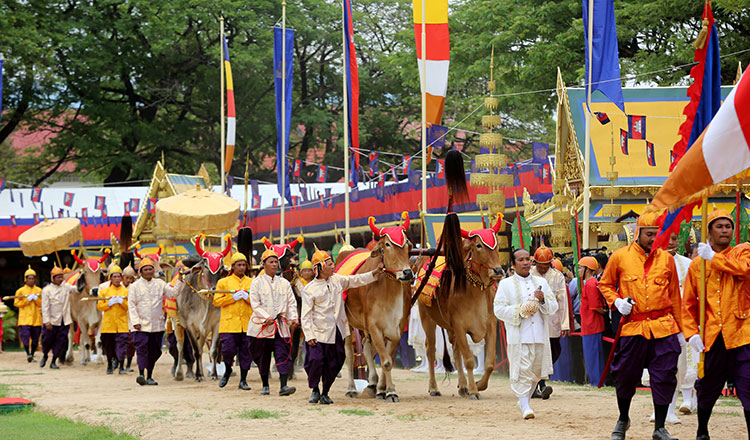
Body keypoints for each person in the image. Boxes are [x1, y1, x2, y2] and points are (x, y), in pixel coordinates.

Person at [599, 212, 685, 440]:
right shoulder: (619, 257)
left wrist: (682, 330)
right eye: (649, 234)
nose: (653, 239)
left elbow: (674, 296)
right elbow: (605, 284)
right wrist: (616, 301)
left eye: (657, 235)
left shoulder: (667, 259)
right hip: (633, 326)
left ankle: (659, 427)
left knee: (665, 376)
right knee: (625, 375)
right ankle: (623, 418)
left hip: (663, 326)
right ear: (638, 233)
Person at [682, 209, 750, 440]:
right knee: (708, 387)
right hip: (713, 336)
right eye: (719, 226)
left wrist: (714, 258)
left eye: (728, 226)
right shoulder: (696, 265)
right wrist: (692, 334)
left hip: (742, 334)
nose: (724, 230)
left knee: (748, 387)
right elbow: (688, 305)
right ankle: (702, 431)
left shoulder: (743, 252)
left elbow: (745, 270)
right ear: (708, 230)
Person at [301, 245, 382, 404]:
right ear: (321, 268)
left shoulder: (338, 280)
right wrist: (309, 336)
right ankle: (315, 389)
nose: (333, 266)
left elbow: (356, 280)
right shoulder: (309, 290)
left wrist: (374, 274)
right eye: (330, 264)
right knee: (315, 362)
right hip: (317, 334)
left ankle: (325, 393)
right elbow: (305, 316)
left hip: (336, 332)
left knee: (335, 362)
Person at [494, 249, 558, 419]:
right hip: (519, 335)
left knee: (536, 373)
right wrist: (519, 311)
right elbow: (498, 309)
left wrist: (542, 299)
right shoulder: (505, 284)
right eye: (521, 260)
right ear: (513, 265)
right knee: (522, 371)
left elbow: (553, 307)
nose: (525, 263)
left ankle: (523, 401)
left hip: (539, 334)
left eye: (527, 259)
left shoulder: (541, 283)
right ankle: (525, 407)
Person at [248, 249, 298, 396]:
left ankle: (283, 386)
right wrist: (266, 317)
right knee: (263, 356)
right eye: (271, 262)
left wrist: (293, 318)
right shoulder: (256, 283)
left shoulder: (284, 283)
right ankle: (265, 384)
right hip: (263, 326)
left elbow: (291, 303)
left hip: (281, 325)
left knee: (283, 353)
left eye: (276, 262)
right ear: (263, 264)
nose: (275, 264)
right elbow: (255, 304)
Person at [530, 246, 569, 399]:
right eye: (540, 265)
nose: (543, 268)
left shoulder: (557, 276)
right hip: (534, 321)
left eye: (546, 265)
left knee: (554, 351)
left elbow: (563, 301)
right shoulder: (530, 274)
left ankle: (540, 381)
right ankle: (539, 384)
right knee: (536, 353)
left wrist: (564, 324)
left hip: (552, 321)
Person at [212, 252, 253, 390]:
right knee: (228, 351)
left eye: (243, 265)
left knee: (246, 353)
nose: (241, 268)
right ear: (233, 267)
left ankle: (243, 380)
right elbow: (216, 301)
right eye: (238, 265)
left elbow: (258, 302)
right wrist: (232, 298)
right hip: (229, 324)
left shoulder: (252, 282)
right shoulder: (223, 282)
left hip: (247, 324)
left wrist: (246, 298)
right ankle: (228, 369)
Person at [128, 257, 169, 385]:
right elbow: (131, 305)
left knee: (155, 350)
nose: (148, 271)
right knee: (142, 349)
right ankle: (141, 374)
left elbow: (172, 293)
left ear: (153, 270)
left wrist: (180, 281)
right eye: (145, 269)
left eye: (150, 269)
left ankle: (150, 376)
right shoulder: (134, 286)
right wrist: (135, 321)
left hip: (157, 325)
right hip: (140, 325)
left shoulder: (160, 284)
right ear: (140, 272)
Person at [40, 265, 77, 369]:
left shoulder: (66, 286)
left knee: (60, 341)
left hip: (64, 320)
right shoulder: (46, 290)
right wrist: (47, 321)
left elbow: (76, 289)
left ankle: (53, 361)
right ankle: (45, 355)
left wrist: (82, 276)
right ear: (53, 278)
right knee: (47, 341)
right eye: (58, 277)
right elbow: (45, 307)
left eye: (62, 277)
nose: (60, 279)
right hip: (51, 321)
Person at [97, 265, 130, 375]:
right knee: (108, 346)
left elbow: (129, 306)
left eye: (118, 276)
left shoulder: (126, 291)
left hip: (122, 324)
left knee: (122, 346)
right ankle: (110, 365)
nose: (116, 279)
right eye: (114, 276)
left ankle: (121, 366)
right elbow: (99, 306)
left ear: (121, 278)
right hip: (108, 324)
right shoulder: (104, 291)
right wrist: (108, 304)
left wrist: (122, 302)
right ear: (110, 278)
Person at [579, 256, 606, 386]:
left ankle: (596, 381)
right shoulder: (591, 283)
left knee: (593, 356)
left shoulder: (590, 284)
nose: (578, 270)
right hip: (591, 325)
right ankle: (597, 381)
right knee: (594, 355)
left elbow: (595, 305)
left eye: (580, 268)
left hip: (592, 325)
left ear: (587, 270)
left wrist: (603, 312)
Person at [15, 265, 43, 362]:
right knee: (25, 338)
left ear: (35, 279)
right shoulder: (20, 291)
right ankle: (28, 354)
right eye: (29, 278)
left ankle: (32, 354)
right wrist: (27, 300)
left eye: (32, 278)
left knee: (35, 339)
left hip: (36, 319)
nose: (31, 280)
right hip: (25, 319)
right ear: (25, 279)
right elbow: (16, 303)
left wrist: (36, 299)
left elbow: (42, 303)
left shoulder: (39, 290)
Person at [122, 265, 137, 372]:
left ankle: (128, 365)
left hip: (132, 319)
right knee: (120, 343)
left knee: (131, 343)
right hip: (120, 319)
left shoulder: (135, 288)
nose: (129, 280)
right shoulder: (117, 288)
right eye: (126, 278)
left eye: (131, 278)